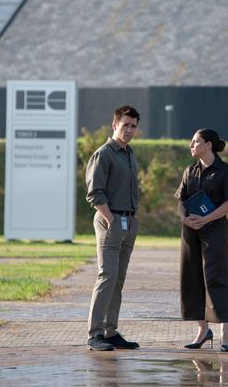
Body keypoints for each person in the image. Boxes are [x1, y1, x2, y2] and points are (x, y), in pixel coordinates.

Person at [174, 128, 228, 352]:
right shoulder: (189, 171)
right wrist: (186, 220)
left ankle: (224, 331)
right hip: (190, 233)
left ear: (208, 145)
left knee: (217, 278)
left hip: (214, 231)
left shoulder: (226, 171)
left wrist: (205, 219)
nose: (191, 145)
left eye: (195, 142)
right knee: (192, 279)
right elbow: (181, 201)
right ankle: (203, 330)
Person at [85, 105, 141, 351]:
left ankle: (110, 331)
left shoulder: (129, 154)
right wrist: (111, 220)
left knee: (118, 279)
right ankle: (95, 334)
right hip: (110, 220)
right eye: (125, 125)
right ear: (114, 124)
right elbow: (95, 193)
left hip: (129, 221)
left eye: (133, 126)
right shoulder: (104, 154)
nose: (129, 130)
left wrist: (132, 217)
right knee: (106, 276)